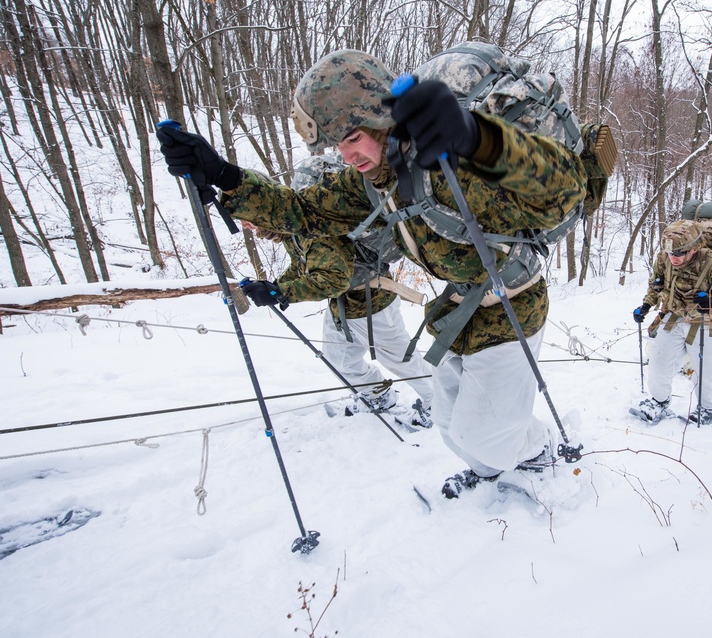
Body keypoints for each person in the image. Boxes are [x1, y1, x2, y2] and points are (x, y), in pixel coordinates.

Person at [156, 49, 592, 499]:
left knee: (485, 434)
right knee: (448, 423)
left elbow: (563, 191)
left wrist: (479, 139)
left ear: (380, 119)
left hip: (512, 302)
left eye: (353, 138)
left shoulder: (447, 164)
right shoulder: (377, 176)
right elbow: (303, 211)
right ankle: (494, 464)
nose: (346, 156)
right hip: (460, 307)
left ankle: (537, 452)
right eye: (336, 146)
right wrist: (224, 175)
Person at [238, 153, 436, 430]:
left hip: (373, 303)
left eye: (247, 218)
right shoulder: (293, 230)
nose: (246, 226)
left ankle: (439, 402)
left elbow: (333, 279)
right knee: (338, 358)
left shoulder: (313, 228)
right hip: (343, 307)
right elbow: (303, 265)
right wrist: (273, 286)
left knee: (403, 361)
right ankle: (377, 394)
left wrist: (282, 293)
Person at [631, 220, 712, 425]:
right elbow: (656, 284)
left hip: (707, 322)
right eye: (671, 253)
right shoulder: (664, 258)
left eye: (679, 254)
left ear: (693, 249)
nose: (674, 258)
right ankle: (659, 401)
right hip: (674, 317)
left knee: (705, 370)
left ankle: (707, 409)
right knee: (659, 361)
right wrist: (647, 305)